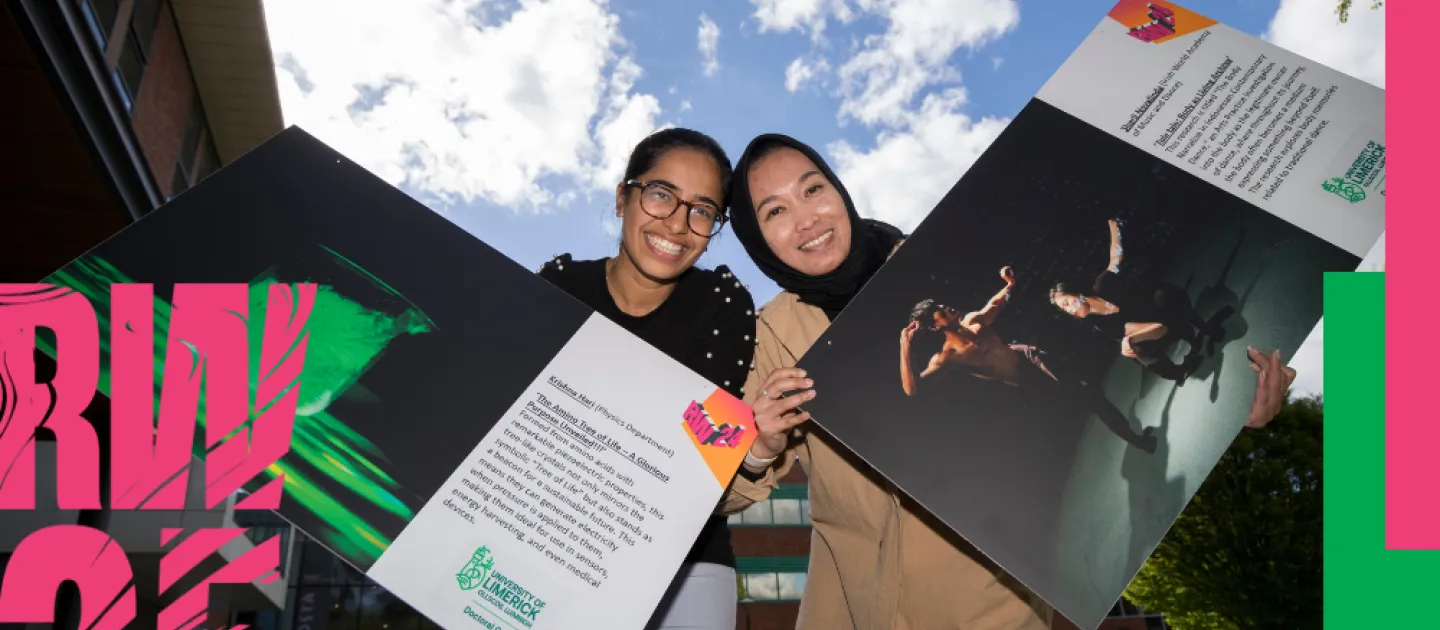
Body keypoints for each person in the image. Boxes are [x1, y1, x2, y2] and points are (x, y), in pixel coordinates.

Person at [720, 133, 1298, 630]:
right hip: (853, 603)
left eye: (813, 189)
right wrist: (760, 448)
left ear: (838, 191)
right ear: (755, 237)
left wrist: (1231, 419)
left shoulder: (926, 265)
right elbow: (726, 487)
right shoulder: (770, 336)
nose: (807, 219)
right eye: (774, 211)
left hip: (988, 596)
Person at [537, 128, 754, 630]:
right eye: (661, 195)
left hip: (687, 557)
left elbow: (703, 455)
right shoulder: (559, 286)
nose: (677, 224)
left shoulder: (723, 302)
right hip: (543, 528)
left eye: (702, 210)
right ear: (623, 197)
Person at [1047, 218, 1233, 383]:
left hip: (1164, 304)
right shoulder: (1100, 324)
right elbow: (1159, 329)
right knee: (1136, 349)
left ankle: (1201, 326)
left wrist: (1114, 227)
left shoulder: (1103, 285)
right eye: (1064, 309)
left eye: (1067, 303)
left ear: (1078, 294)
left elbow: (1116, 258)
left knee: (1163, 295)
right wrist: (1129, 341)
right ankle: (1179, 372)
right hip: (1160, 328)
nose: (1069, 310)